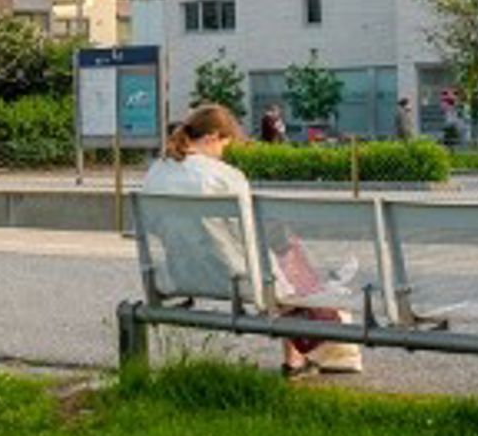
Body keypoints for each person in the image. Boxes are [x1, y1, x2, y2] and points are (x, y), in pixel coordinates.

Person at [145, 105, 360, 378]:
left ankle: (303, 351)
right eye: (225, 144)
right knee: (286, 259)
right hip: (236, 278)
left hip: (181, 273)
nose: (223, 152)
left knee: (283, 256)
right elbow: (248, 234)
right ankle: (304, 351)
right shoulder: (224, 176)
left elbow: (155, 226)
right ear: (212, 137)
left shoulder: (157, 172)